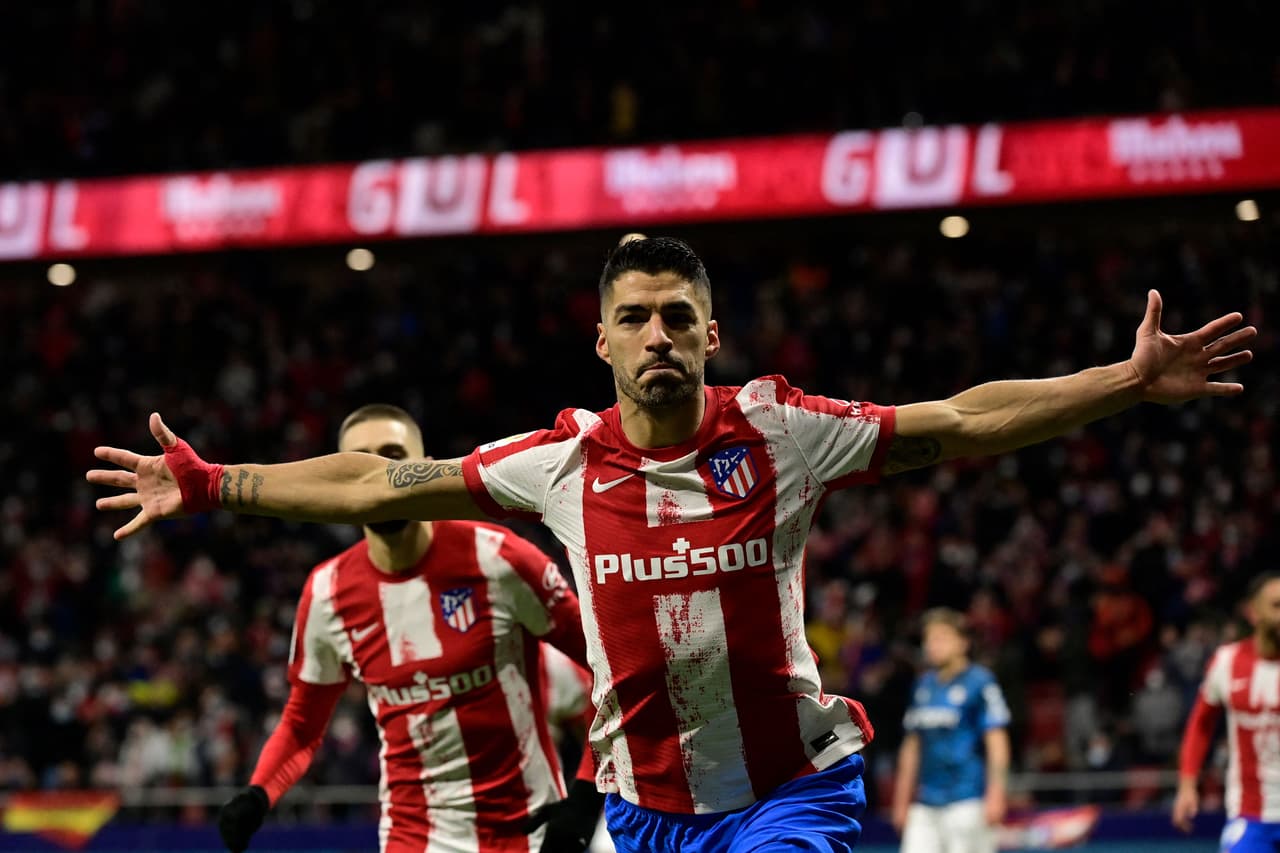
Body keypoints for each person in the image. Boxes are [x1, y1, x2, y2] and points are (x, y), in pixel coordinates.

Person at [90, 235, 1255, 852]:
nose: (659, 336)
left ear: (711, 335)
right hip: (642, 812)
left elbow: (958, 419)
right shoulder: (555, 462)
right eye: (635, 317)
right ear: (598, 336)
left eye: (679, 318)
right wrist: (218, 483)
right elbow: (377, 478)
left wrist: (1119, 382)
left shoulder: (781, 430)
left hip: (791, 788)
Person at [214, 404, 603, 853]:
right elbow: (302, 727)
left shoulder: (500, 560)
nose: (378, 471)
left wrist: (585, 795)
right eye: (361, 460)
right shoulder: (327, 592)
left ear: (425, 466)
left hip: (530, 834)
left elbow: (611, 671)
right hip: (412, 837)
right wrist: (258, 794)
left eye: (395, 455)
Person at [1173, 572, 1280, 851]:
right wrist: (1187, 785)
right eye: (1277, 606)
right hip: (1250, 814)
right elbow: (1201, 723)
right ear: (1252, 612)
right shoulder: (1226, 661)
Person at [891, 608, 1010, 853]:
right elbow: (912, 746)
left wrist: (997, 793)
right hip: (925, 803)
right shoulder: (923, 686)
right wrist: (901, 800)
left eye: (941, 638)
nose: (932, 645)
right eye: (929, 639)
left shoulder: (980, 682)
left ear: (963, 642)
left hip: (967, 801)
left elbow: (997, 741)